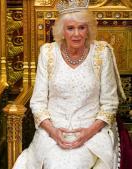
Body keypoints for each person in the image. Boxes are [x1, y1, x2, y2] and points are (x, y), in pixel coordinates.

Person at [13, 0, 126, 169]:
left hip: (91, 133)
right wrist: (54, 132)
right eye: (70, 28)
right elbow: (37, 103)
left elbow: (109, 105)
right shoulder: (48, 52)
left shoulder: (102, 54)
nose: (77, 34)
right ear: (61, 31)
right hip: (52, 133)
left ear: (88, 30)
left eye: (82, 27)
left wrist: (87, 133)